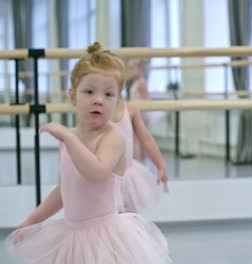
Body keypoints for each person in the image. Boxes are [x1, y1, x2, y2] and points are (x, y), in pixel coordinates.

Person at [6, 42, 171, 264]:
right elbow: (63, 191)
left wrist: (68, 138)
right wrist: (30, 222)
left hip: (105, 239)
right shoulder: (69, 140)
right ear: (73, 96)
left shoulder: (113, 138)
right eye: (89, 91)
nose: (98, 99)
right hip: (71, 236)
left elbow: (96, 172)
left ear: (117, 101)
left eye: (108, 94)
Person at [112, 97, 169, 213]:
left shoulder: (130, 109)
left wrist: (160, 165)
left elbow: (146, 139)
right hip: (102, 176)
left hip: (126, 175)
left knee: (130, 217)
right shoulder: (95, 112)